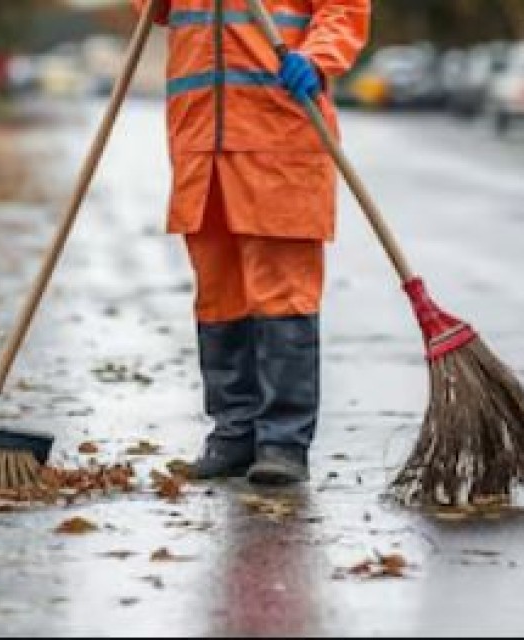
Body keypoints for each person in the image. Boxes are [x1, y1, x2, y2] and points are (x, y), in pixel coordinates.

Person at [132, 0, 369, 484]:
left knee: (283, 294)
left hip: (279, 134)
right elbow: (152, 10)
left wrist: (319, 58)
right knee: (219, 296)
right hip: (201, 143)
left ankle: (283, 442)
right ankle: (233, 435)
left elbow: (344, 9)